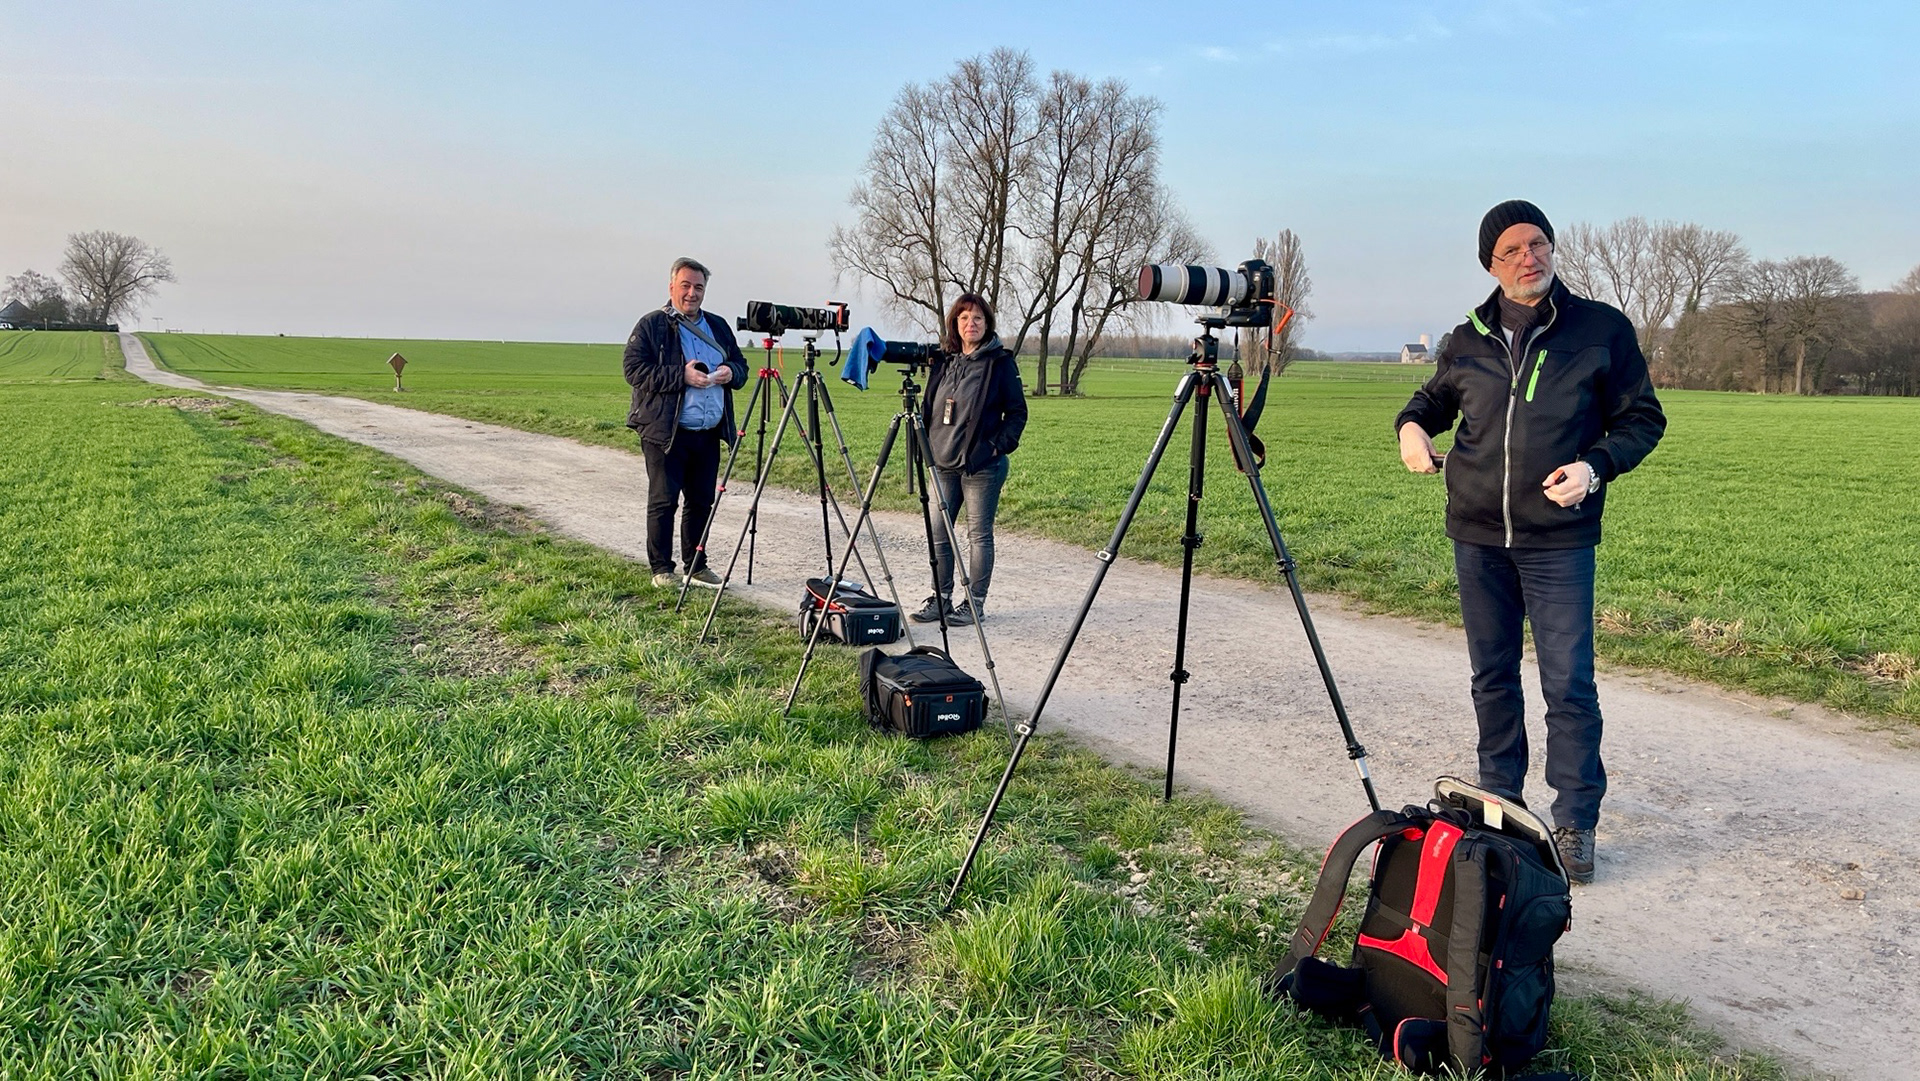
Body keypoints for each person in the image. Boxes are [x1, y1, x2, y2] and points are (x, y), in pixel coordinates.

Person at [1394, 200, 1666, 884]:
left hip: (1559, 542)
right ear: (1491, 262)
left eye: (1538, 242)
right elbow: (1430, 402)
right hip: (1477, 536)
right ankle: (1501, 808)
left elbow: (1642, 418)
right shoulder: (1467, 336)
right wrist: (1410, 428)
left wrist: (1595, 466)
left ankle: (1576, 821)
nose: (1529, 257)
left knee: (1568, 683)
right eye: (1512, 248)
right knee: (1492, 676)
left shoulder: (1600, 330)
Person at [623, 257, 749, 589]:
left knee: (701, 500)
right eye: (686, 286)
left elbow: (741, 366)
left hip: (708, 431)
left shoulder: (718, 326)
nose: (692, 293)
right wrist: (682, 376)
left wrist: (729, 373)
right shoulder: (651, 325)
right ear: (671, 287)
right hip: (666, 431)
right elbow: (633, 370)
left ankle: (696, 564)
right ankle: (662, 568)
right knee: (664, 501)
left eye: (698, 287)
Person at [912, 293, 1027, 627]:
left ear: (987, 323)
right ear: (954, 323)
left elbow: (1017, 413)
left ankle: (974, 603)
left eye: (977, 318)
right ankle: (941, 597)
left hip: (981, 467)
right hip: (942, 463)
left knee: (978, 536)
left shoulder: (1000, 363)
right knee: (938, 533)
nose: (970, 324)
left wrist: (993, 448)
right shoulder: (943, 361)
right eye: (963, 318)